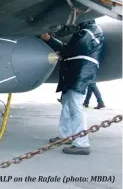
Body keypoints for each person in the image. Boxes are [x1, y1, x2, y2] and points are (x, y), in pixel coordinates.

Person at [40, 19, 104, 155]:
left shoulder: (91, 31)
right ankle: (66, 136)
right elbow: (68, 49)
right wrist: (50, 39)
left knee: (75, 106)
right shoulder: (83, 32)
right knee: (67, 105)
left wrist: (57, 45)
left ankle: (82, 143)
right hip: (74, 72)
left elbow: (72, 49)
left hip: (81, 72)